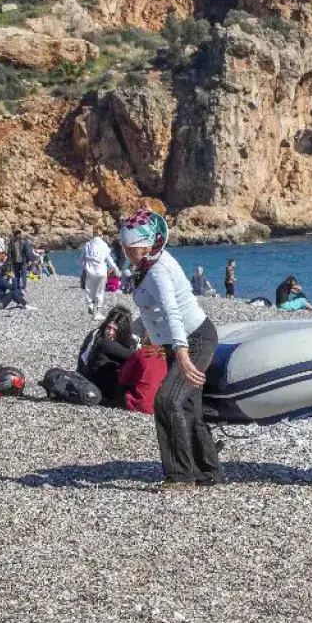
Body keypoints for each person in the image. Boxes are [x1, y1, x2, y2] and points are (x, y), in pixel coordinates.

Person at [121, 209, 224, 489]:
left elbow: (172, 313)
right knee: (188, 405)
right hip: (178, 342)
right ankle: (208, 471)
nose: (127, 252)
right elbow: (154, 311)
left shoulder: (159, 271)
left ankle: (180, 475)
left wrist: (183, 356)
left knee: (168, 401)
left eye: (132, 248)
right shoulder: (149, 265)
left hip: (195, 339)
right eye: (125, 247)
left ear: (148, 244)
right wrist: (148, 336)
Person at [77, 307, 137, 404]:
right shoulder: (98, 337)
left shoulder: (130, 342)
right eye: (109, 328)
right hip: (94, 380)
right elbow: (83, 361)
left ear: (122, 332)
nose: (110, 332)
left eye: (115, 330)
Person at [119, 337, 169, 415]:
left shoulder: (141, 353)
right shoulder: (164, 358)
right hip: (156, 407)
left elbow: (122, 378)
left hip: (139, 404)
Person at [79, 231, 119, 316]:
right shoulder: (104, 245)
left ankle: (90, 305)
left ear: (93, 235)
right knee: (100, 292)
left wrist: (84, 267)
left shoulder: (87, 244)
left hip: (89, 270)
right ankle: (98, 312)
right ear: (102, 236)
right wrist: (116, 271)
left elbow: (82, 258)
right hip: (101, 271)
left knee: (89, 290)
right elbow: (109, 260)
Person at [7, 228, 35, 293]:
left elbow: (27, 251)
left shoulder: (22, 241)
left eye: (18, 234)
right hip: (17, 261)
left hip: (21, 261)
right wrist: (9, 260)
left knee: (22, 275)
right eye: (17, 234)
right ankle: (19, 287)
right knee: (19, 275)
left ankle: (22, 287)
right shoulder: (13, 242)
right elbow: (9, 252)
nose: (18, 236)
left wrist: (29, 260)